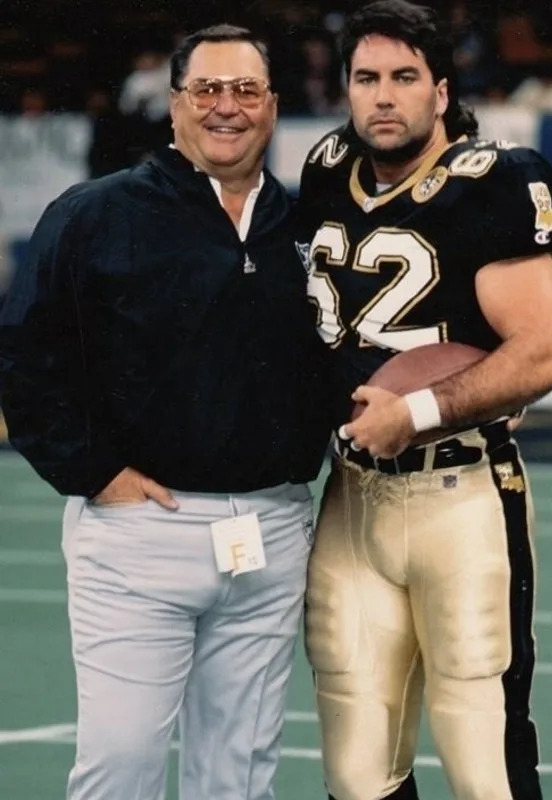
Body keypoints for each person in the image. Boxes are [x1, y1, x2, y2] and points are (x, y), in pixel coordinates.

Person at [0, 24, 330, 800]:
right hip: (138, 530)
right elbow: (24, 351)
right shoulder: (97, 212)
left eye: (245, 90)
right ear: (174, 105)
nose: (226, 108)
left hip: (270, 530)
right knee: (120, 768)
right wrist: (94, 472)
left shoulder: (308, 225)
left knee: (238, 776)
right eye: (206, 90)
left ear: (273, 106)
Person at [296, 2, 552, 799]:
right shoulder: (325, 172)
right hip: (351, 498)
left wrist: (416, 410)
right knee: (356, 763)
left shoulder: (492, 182)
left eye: (403, 78)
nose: (382, 97)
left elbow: (544, 351)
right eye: (365, 78)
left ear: (440, 91)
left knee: (481, 756)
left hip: (462, 495)